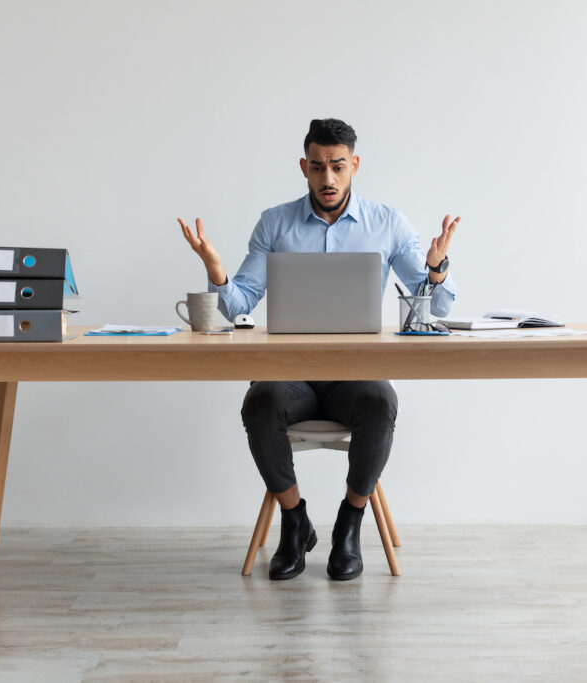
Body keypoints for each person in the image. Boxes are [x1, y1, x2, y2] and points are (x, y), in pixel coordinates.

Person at [179, 118, 458, 581]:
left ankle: (349, 524)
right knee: (260, 402)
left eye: (338, 167)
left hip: (355, 377)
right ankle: (295, 521)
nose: (328, 178)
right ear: (303, 167)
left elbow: (434, 309)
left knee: (381, 401)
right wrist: (217, 270)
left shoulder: (387, 223)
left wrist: (435, 270)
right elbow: (239, 305)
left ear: (355, 165)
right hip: (293, 377)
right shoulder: (275, 223)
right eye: (317, 167)